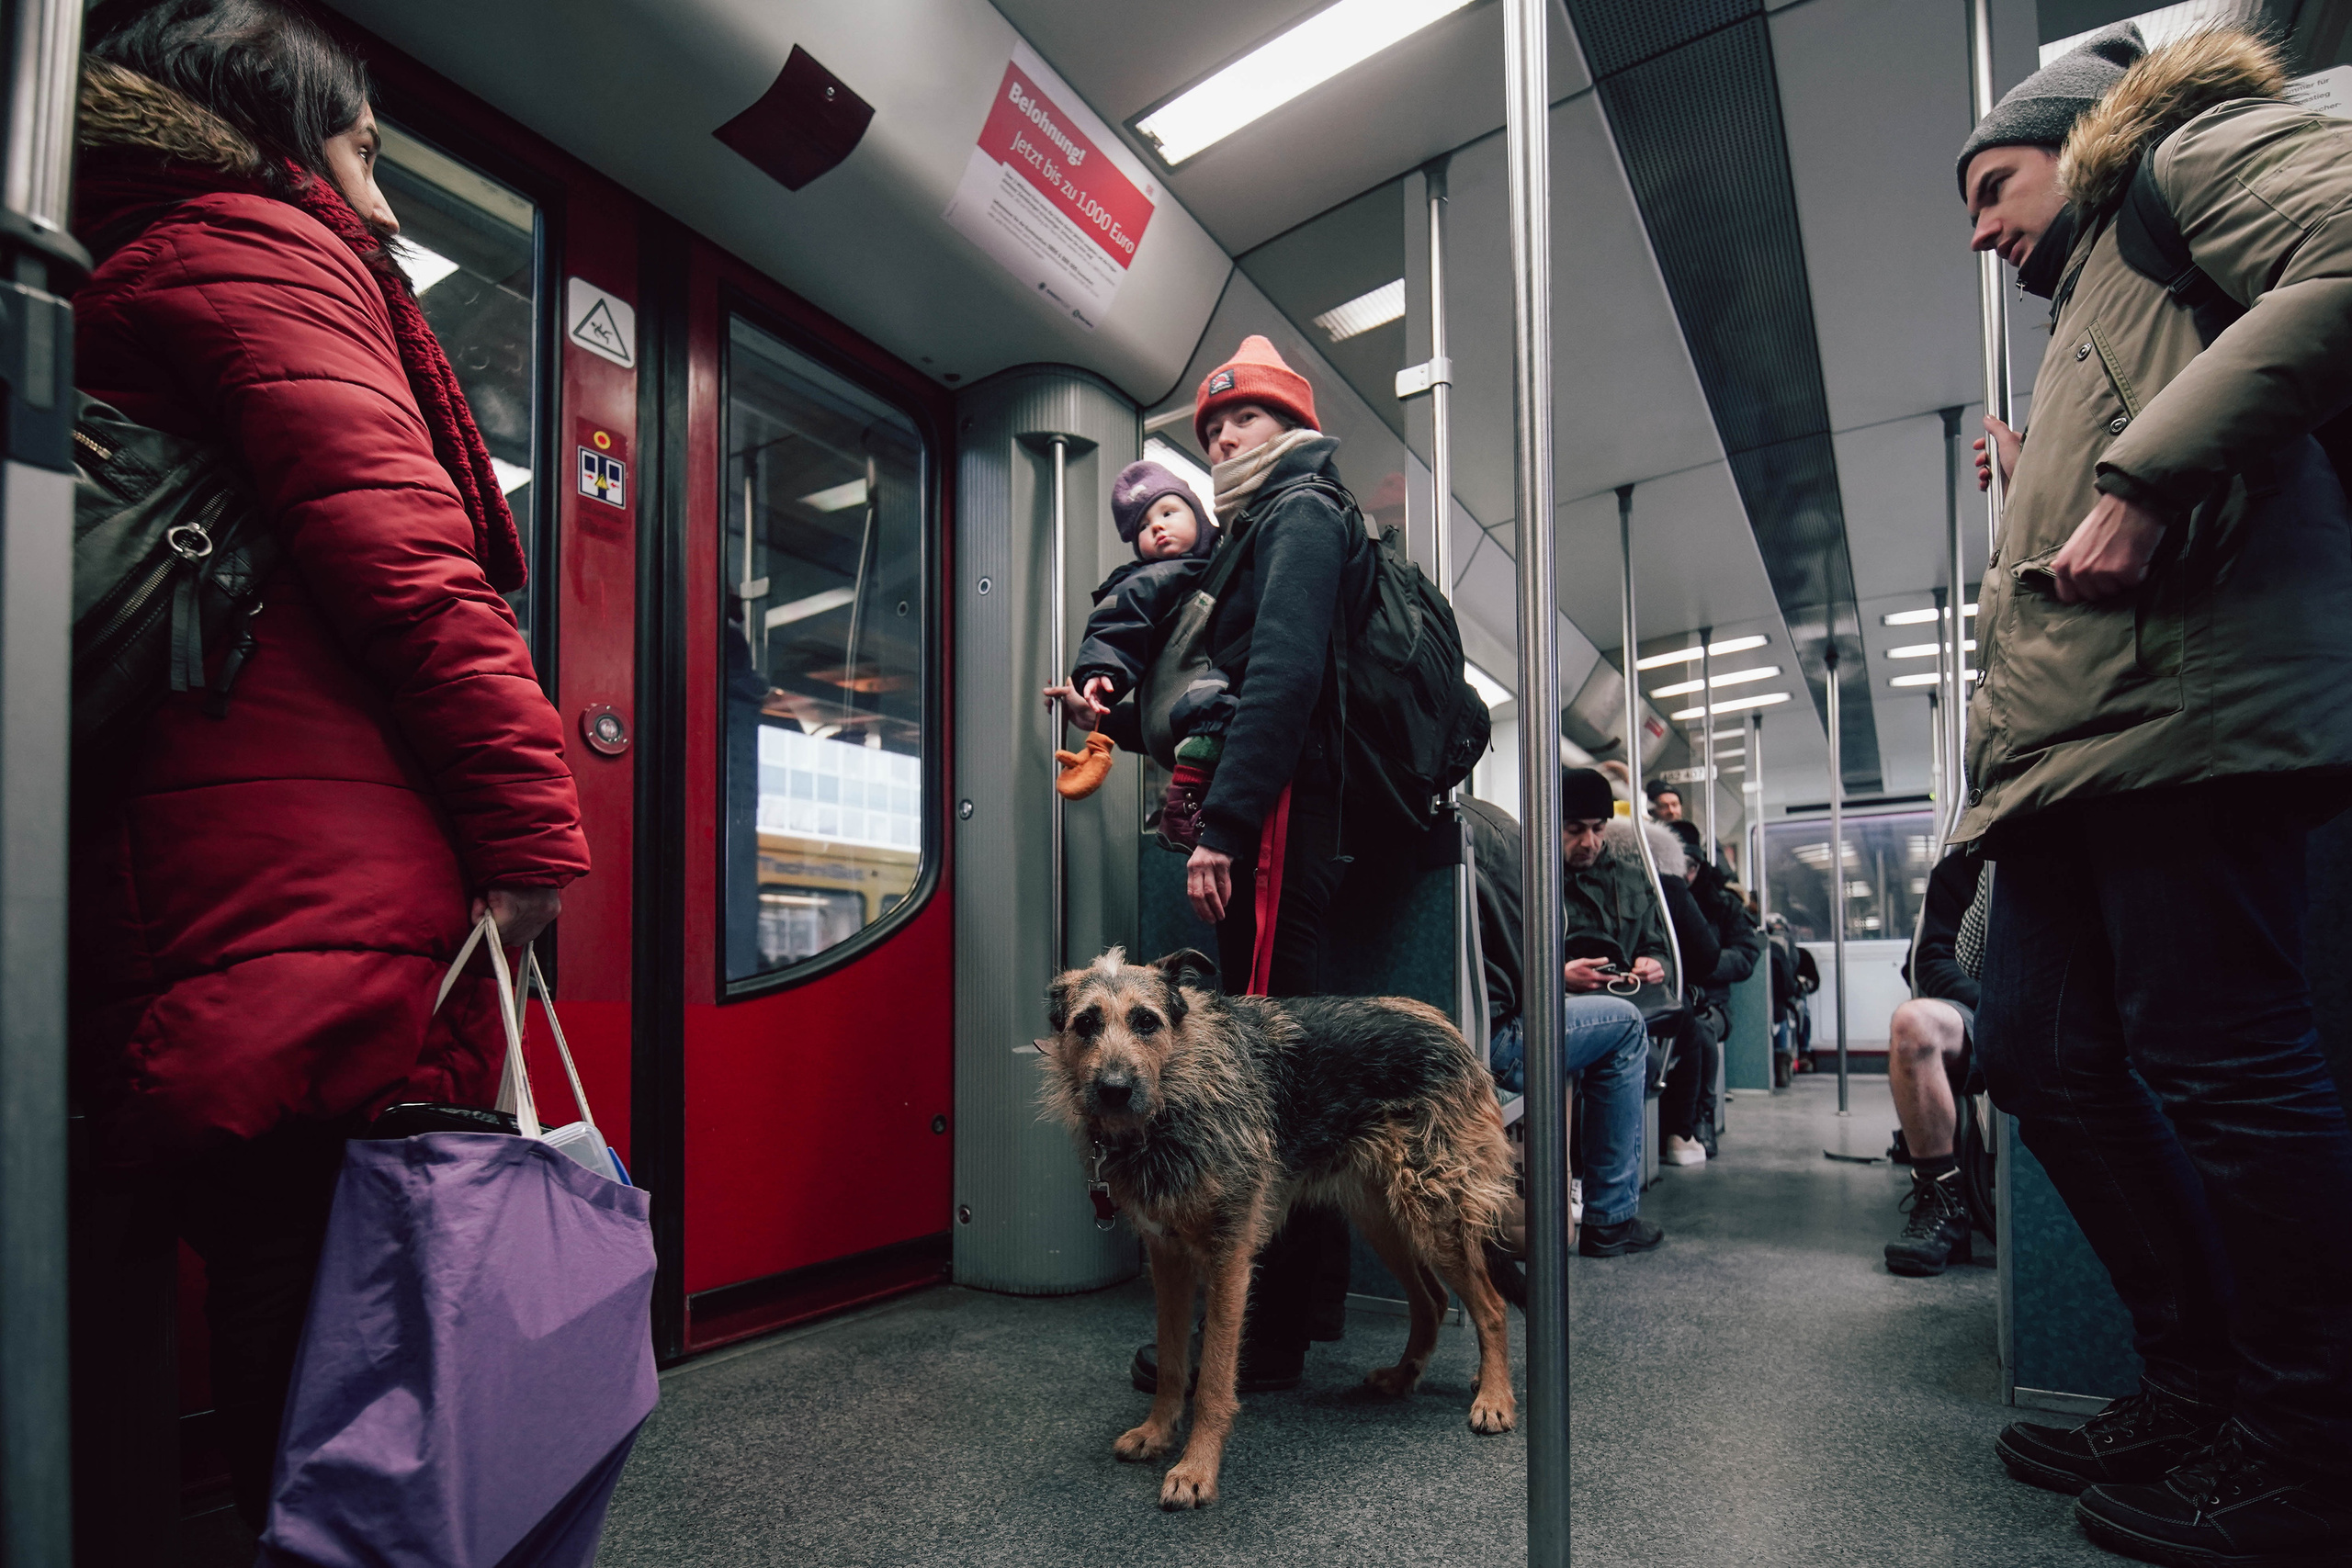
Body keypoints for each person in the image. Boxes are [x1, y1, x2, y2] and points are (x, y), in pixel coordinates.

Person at [69, 1, 589, 1531]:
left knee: (287, 1278)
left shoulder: (145, 252)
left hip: (220, 863)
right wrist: (530, 830)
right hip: (302, 864)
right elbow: (409, 566)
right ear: (281, 128)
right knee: (327, 1305)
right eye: (365, 143)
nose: (387, 192)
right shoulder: (255, 247)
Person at [1957, 23, 2352, 1559]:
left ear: (2080, 136)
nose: (1985, 231)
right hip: (2080, 749)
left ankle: (2314, 1443)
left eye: (1996, 187)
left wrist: (2140, 478)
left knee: (2228, 1067)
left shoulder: (2183, 161)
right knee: (2039, 1056)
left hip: (2191, 709)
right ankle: (2195, 1384)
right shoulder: (2093, 312)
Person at [1128, 334, 1374, 1394]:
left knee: (1265, 1078)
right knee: (1284, 1066)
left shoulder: (1301, 514)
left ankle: (1268, 1336)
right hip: (1274, 814)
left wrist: (1224, 826)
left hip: (1278, 821)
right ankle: (1291, 1315)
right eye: (1213, 426)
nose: (1226, 434)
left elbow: (1278, 683)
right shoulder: (1266, 521)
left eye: (1248, 418)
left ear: (1294, 426)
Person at [1043, 458, 1227, 807]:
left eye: (1169, 512)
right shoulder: (1147, 580)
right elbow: (1119, 624)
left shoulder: (1224, 572)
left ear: (1199, 518)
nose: (1157, 527)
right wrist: (1100, 677)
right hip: (1186, 749)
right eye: (1144, 525)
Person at [1883, 852, 1985, 1277]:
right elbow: (1930, 960)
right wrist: (1999, 1003)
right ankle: (1942, 1198)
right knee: (1913, 1024)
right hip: (1986, 1006)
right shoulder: (1965, 866)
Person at [1679, 840, 1764, 1159]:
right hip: (1673, 996)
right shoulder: (1659, 898)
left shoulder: (1723, 905)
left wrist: (1703, 962)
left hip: (1712, 1004)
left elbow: (1746, 955)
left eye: (1691, 867)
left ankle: (1702, 1116)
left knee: (1700, 1032)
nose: (1685, 874)